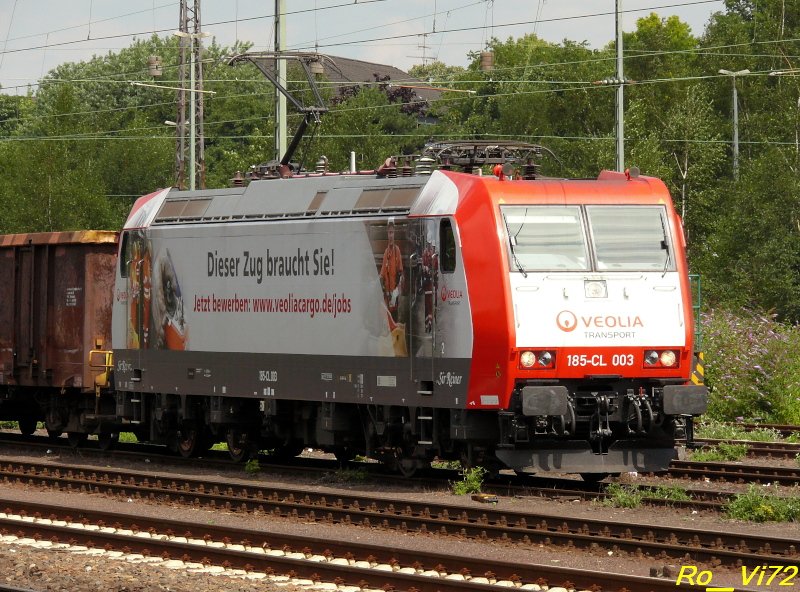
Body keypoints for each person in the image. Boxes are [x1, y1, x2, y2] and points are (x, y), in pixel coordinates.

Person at [380, 218, 404, 320]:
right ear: (387, 234)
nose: (390, 235)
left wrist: (396, 291)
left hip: (394, 293)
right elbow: (382, 274)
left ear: (394, 234)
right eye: (389, 232)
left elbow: (400, 271)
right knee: (387, 319)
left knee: (394, 318)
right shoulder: (386, 252)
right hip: (387, 295)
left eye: (392, 232)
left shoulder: (397, 251)